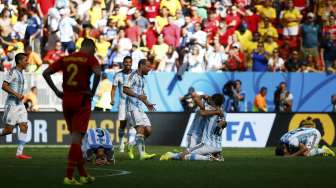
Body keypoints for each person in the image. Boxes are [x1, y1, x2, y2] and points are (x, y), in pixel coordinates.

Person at [42, 38, 101, 185]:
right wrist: (92, 91)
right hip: (82, 100)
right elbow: (98, 73)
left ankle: (83, 174)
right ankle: (68, 176)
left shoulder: (66, 58)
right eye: (94, 49)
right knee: (76, 139)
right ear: (90, 47)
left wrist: (56, 91)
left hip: (66, 100)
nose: (94, 52)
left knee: (77, 140)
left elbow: (46, 72)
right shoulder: (90, 58)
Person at [160, 93, 226, 161]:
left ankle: (211, 157)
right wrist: (205, 97)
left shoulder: (211, 109)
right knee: (187, 154)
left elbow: (204, 111)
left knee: (188, 155)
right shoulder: (213, 109)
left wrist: (207, 99)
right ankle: (171, 155)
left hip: (202, 138)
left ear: (213, 101)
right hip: (193, 135)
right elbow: (196, 98)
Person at [123, 59, 156, 160]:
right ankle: (142, 154)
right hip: (131, 107)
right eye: (148, 67)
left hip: (139, 107)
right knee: (141, 128)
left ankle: (130, 145)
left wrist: (147, 104)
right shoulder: (132, 76)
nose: (149, 69)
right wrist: (138, 96)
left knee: (148, 130)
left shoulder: (142, 78)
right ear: (141, 65)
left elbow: (142, 95)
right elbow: (125, 89)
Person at [0, 53, 31, 159]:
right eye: (26, 60)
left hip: (20, 105)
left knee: (24, 126)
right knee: (8, 130)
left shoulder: (21, 73)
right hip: (11, 105)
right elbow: (4, 86)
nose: (28, 62)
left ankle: (19, 153)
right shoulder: (12, 72)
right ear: (19, 61)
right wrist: (16, 94)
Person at [110, 56, 136, 152]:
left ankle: (130, 143)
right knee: (122, 124)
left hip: (133, 103)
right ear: (123, 63)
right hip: (122, 103)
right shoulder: (118, 75)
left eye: (129, 62)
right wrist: (112, 99)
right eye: (126, 62)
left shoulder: (135, 74)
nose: (128, 64)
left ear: (132, 63)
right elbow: (113, 88)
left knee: (133, 123)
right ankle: (121, 143)